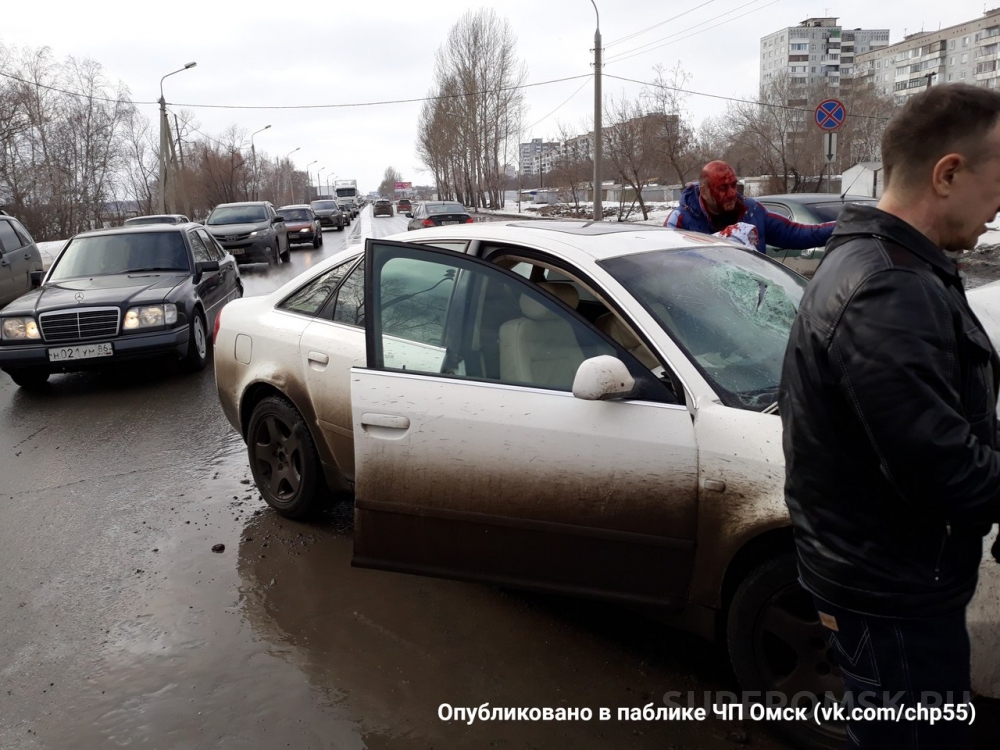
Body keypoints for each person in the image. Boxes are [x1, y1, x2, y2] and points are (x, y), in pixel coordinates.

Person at [779, 83, 1000, 749]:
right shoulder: (887, 286)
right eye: (998, 184)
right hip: (894, 596)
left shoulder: (881, 262)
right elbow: (939, 466)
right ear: (949, 173)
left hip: (884, 579)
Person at [664, 160, 835, 253]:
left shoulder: (751, 211)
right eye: (723, 188)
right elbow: (663, 268)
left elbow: (795, 233)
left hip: (751, 310)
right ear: (705, 192)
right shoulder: (679, 222)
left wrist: (842, 226)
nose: (732, 193)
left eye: (734, 185)